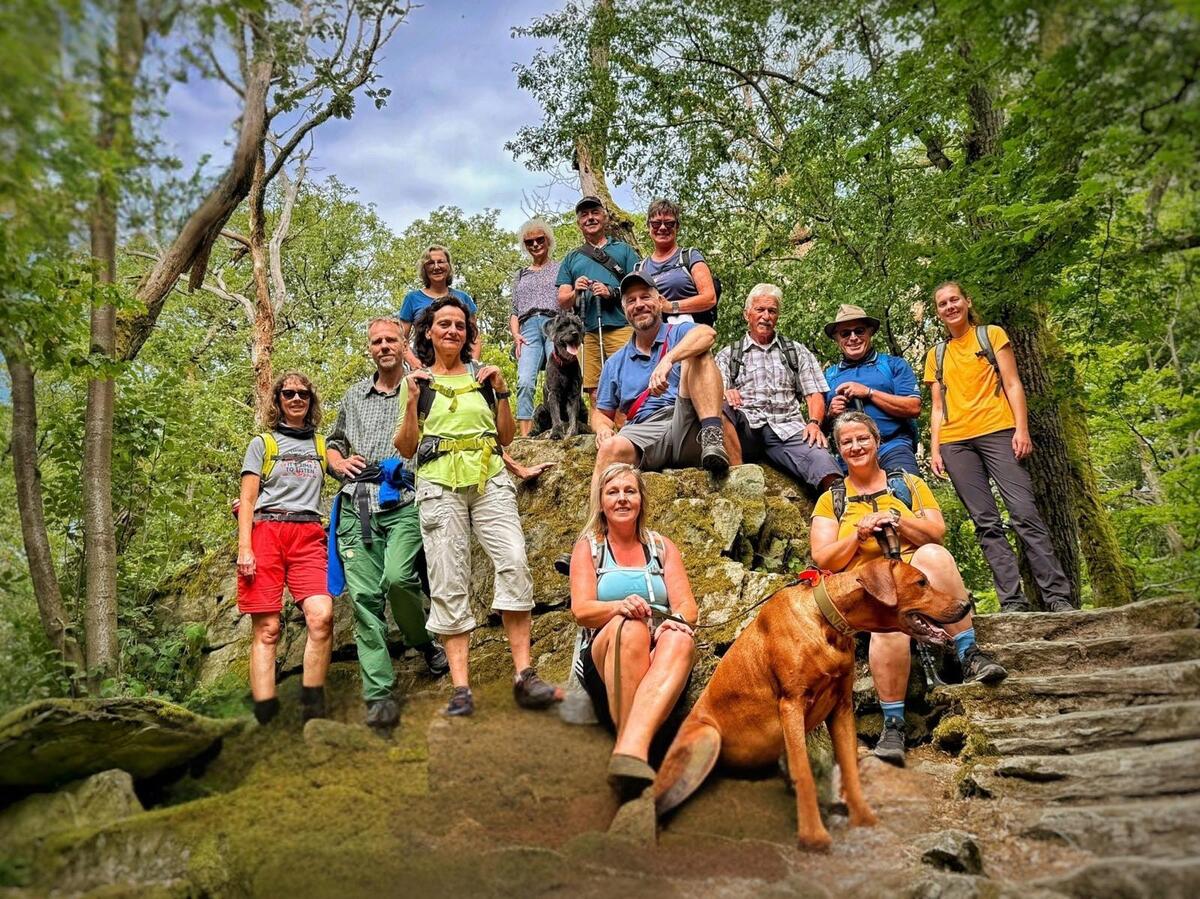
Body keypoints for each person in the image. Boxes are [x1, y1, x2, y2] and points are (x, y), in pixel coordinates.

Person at [393, 296, 560, 717]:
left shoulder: (485, 377)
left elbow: (505, 438)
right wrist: (412, 403)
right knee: (448, 578)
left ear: (468, 335)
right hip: (437, 483)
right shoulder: (417, 382)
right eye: (443, 324)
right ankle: (461, 688)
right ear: (428, 332)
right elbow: (407, 447)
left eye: (459, 325)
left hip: (489, 478)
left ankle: (524, 675)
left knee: (514, 561)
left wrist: (502, 390)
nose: (452, 330)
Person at [810, 412, 1008, 766]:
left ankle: (968, 654)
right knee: (889, 615)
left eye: (862, 439)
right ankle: (894, 724)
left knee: (933, 553)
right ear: (839, 450)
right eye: (847, 442)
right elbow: (824, 557)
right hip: (869, 586)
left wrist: (898, 520)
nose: (856, 447)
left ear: (876, 441)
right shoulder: (832, 499)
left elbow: (936, 532)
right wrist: (858, 535)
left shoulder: (907, 484)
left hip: (916, 575)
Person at [326, 317, 450, 731]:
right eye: (376, 341)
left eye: (390, 340)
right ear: (369, 348)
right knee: (363, 600)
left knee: (398, 579)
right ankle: (378, 696)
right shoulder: (353, 396)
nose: (383, 347)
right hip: (356, 502)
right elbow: (334, 443)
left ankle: (421, 641)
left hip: (405, 500)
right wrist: (338, 462)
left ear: (404, 343)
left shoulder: (421, 387)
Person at [925, 282, 1074, 613]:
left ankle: (1057, 597)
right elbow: (937, 407)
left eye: (954, 300)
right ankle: (1012, 602)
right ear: (937, 311)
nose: (949, 307)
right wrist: (935, 449)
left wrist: (1022, 428)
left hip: (998, 431)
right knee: (986, 523)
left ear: (967, 301)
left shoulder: (990, 335)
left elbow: (1012, 383)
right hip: (955, 442)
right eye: (942, 304)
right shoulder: (935, 355)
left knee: (1024, 513)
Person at [568, 462, 697, 800]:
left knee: (679, 637)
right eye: (613, 492)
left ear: (641, 499)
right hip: (606, 653)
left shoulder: (661, 547)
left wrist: (677, 620)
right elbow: (581, 611)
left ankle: (629, 754)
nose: (622, 499)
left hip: (658, 658)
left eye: (629, 491)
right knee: (632, 627)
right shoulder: (590, 547)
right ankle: (639, 751)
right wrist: (618, 607)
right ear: (601, 501)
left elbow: (688, 607)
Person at [236, 372, 334, 726]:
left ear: (311, 401)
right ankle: (266, 712)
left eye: (303, 394)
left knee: (321, 616)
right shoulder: (263, 443)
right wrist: (245, 548)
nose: (296, 399)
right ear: (277, 400)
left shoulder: (323, 445)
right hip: (267, 533)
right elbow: (247, 499)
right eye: (288, 393)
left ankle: (312, 707)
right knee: (268, 629)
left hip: (308, 534)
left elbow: (349, 470)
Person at [591, 271, 733, 486]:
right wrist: (603, 428)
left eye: (645, 297)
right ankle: (596, 518)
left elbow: (707, 334)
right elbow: (601, 413)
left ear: (660, 301)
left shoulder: (678, 332)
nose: (639, 305)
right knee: (609, 449)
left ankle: (712, 437)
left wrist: (669, 359)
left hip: (686, 422)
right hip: (643, 431)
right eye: (631, 300)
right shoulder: (615, 363)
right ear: (625, 310)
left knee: (698, 351)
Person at [715, 283, 842, 494]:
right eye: (760, 310)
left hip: (788, 427)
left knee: (826, 467)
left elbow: (814, 393)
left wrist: (813, 423)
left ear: (777, 316)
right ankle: (738, 479)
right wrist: (724, 392)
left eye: (771, 311)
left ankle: (840, 512)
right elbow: (712, 393)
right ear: (747, 314)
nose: (766, 316)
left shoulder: (795, 351)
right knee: (719, 406)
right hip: (746, 429)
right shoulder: (729, 354)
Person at [556, 197, 639, 401]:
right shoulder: (571, 258)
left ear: (605, 217)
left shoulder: (624, 250)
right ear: (579, 223)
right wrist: (576, 291)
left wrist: (612, 292)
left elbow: (639, 288)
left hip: (622, 327)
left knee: (629, 384)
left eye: (594, 212)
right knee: (594, 390)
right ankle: (601, 433)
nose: (590, 218)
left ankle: (628, 433)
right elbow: (563, 300)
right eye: (584, 215)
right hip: (586, 332)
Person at [823, 304, 921, 475]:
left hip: (893, 446)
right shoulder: (829, 375)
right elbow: (819, 427)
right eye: (845, 333)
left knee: (905, 491)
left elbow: (913, 407)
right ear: (837, 339)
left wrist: (869, 392)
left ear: (870, 332)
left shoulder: (893, 364)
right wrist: (830, 413)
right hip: (849, 453)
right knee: (847, 500)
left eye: (859, 331)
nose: (853, 337)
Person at [509, 218, 562, 436]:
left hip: (555, 324)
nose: (535, 245)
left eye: (539, 240)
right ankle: (525, 435)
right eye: (529, 242)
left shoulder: (561, 269)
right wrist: (515, 335)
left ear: (548, 241)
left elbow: (569, 299)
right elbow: (513, 311)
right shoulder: (521, 274)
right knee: (524, 380)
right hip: (528, 326)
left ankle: (558, 425)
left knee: (557, 378)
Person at [633, 199, 718, 326]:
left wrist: (671, 307)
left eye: (669, 223)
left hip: (693, 335)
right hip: (656, 338)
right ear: (648, 227)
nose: (662, 228)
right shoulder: (640, 268)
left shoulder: (690, 256)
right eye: (656, 223)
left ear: (677, 226)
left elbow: (709, 298)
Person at [399, 245, 479, 369]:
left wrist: (472, 365)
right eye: (430, 263)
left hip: (460, 367)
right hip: (425, 366)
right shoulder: (412, 298)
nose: (436, 267)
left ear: (449, 266)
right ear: (424, 269)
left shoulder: (463, 297)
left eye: (441, 262)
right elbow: (401, 338)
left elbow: (475, 336)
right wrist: (414, 363)